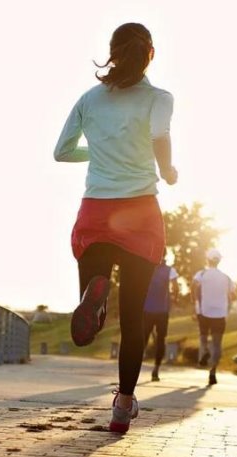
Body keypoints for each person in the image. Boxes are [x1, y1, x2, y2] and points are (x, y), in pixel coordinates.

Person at [54, 23, 177, 433]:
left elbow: (61, 151)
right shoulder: (159, 98)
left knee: (89, 321)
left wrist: (100, 150)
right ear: (150, 54)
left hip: (96, 212)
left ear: (112, 52)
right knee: (134, 320)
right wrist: (167, 168)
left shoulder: (90, 99)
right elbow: (159, 134)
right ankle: (123, 405)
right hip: (140, 213)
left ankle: (96, 296)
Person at [191, 248, 236, 385]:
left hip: (204, 311)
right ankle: (213, 372)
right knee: (217, 343)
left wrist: (195, 305)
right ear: (219, 261)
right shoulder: (226, 278)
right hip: (220, 313)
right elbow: (233, 295)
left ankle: (205, 351)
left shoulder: (201, 274)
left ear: (207, 260)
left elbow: (194, 288)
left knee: (203, 337)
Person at [143, 250, 179, 381]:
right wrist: (174, 299)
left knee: (143, 338)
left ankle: (137, 364)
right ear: (165, 256)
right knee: (161, 339)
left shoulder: (146, 267)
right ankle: (156, 369)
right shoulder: (170, 270)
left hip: (147, 308)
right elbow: (175, 287)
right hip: (162, 310)